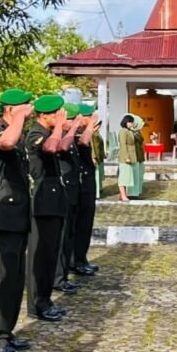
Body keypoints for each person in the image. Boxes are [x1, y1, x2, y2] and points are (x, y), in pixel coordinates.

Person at [0, 89, 34, 352]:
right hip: (2, 217)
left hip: (18, 216)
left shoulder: (16, 132)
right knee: (1, 281)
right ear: (10, 110)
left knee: (14, 281)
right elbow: (6, 143)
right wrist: (20, 118)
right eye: (23, 106)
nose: (29, 109)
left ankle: (7, 331)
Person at [26, 95, 75, 322]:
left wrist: (69, 127)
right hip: (42, 198)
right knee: (40, 255)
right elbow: (51, 147)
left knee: (51, 253)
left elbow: (63, 145)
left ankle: (45, 299)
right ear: (45, 115)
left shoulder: (49, 133)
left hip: (54, 198)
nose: (60, 117)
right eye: (56, 114)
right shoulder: (36, 134)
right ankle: (37, 303)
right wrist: (57, 128)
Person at [54, 102, 83, 295]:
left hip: (72, 191)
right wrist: (71, 127)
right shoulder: (57, 138)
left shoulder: (69, 137)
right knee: (61, 238)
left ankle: (63, 275)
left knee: (69, 236)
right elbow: (62, 148)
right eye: (72, 120)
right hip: (63, 192)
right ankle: (58, 277)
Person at [71, 104, 100, 278]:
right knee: (79, 225)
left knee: (86, 224)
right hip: (80, 185)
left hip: (87, 182)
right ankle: (76, 261)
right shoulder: (73, 135)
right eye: (89, 116)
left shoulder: (84, 133)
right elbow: (82, 142)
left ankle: (81, 258)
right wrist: (89, 128)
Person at [116, 115, 136, 202]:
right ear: (126, 122)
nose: (131, 124)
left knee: (127, 177)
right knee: (123, 177)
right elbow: (123, 145)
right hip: (125, 158)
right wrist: (126, 157)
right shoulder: (123, 131)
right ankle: (123, 195)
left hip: (130, 156)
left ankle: (123, 194)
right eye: (130, 122)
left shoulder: (129, 131)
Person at [130, 115, 145, 198]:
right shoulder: (132, 133)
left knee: (138, 175)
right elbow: (140, 139)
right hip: (134, 156)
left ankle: (137, 192)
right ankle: (133, 193)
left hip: (139, 156)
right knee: (134, 176)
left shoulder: (136, 132)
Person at [90, 120, 106, 199]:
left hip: (99, 155)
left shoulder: (97, 133)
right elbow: (92, 147)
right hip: (95, 156)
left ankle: (99, 189)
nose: (99, 127)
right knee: (95, 175)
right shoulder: (91, 134)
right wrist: (93, 157)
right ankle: (96, 193)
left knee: (98, 174)